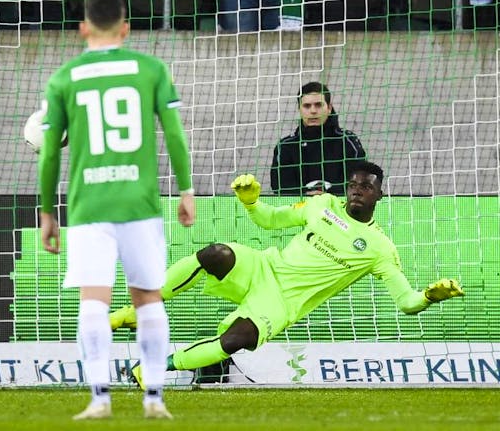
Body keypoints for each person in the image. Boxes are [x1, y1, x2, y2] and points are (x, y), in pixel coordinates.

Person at [109, 161, 464, 385]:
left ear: (379, 195)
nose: (358, 190)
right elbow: (270, 220)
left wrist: (428, 297)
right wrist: (251, 201)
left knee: (235, 341)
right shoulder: (321, 204)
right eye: (354, 185)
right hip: (264, 267)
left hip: (281, 302)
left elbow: (405, 302)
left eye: (366, 187)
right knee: (216, 253)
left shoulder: (379, 248)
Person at [37, 0, 195, 420]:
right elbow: (175, 135)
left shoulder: (64, 78)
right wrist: (186, 190)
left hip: (89, 205)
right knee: (148, 297)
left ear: (83, 28)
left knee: (93, 300)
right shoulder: (151, 69)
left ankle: (99, 398)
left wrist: (47, 211)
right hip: (139, 203)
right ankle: (155, 398)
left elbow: (49, 154)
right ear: (125, 28)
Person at [270, 82, 366, 196]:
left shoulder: (348, 141)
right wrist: (307, 196)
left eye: (318, 105)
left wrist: (328, 196)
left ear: (329, 108)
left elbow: (359, 182)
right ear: (299, 109)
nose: (313, 111)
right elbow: (280, 187)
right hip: (299, 206)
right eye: (307, 106)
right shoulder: (286, 146)